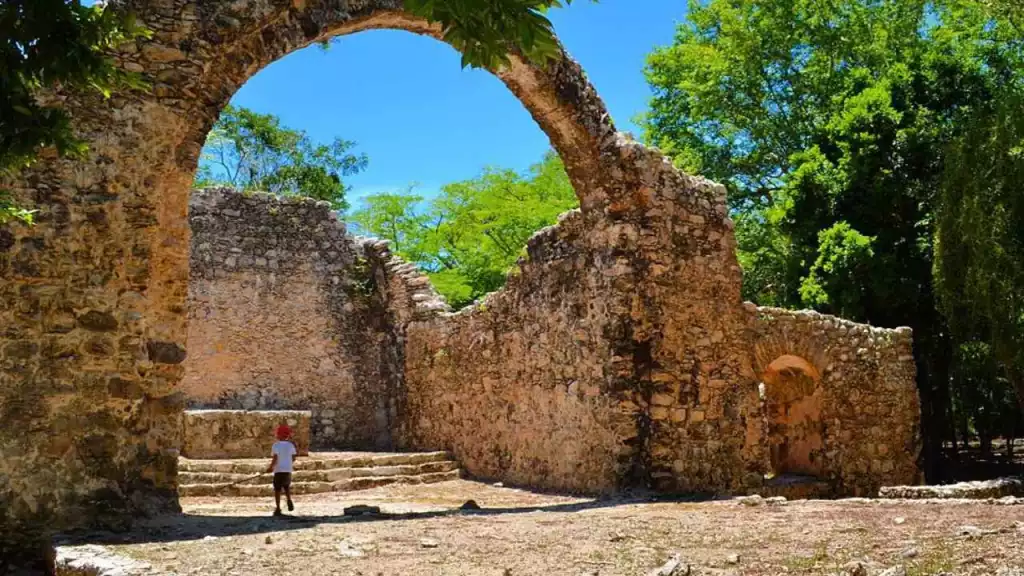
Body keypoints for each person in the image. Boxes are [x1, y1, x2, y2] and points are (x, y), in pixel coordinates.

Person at [266, 423, 297, 516]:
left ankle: (278, 508)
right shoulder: (291, 445)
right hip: (288, 469)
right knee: (286, 487)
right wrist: (289, 463)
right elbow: (293, 457)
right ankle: (288, 499)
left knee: (277, 489)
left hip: (278, 470)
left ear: (278, 435)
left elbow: (275, 458)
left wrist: (271, 467)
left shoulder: (276, 445)